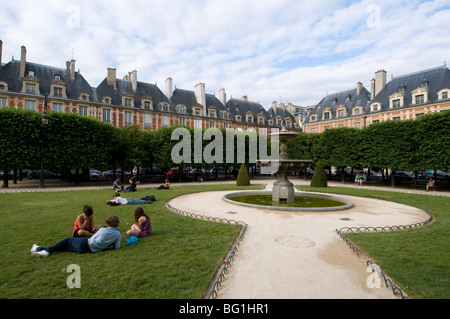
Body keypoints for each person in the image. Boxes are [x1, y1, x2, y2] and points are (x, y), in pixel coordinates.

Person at [31, 216, 121, 257]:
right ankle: (41, 249)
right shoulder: (118, 234)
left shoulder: (102, 230)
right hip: (87, 250)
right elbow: (116, 247)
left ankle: (45, 250)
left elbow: (92, 238)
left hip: (85, 243)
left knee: (67, 241)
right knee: (64, 247)